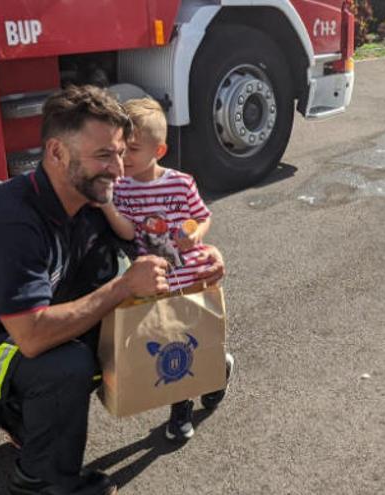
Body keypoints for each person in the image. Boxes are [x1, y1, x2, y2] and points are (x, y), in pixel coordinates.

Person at [0, 86, 226, 494]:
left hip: (3, 329)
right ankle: (42, 479)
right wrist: (121, 288)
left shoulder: (86, 203)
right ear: (57, 153)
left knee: (110, 318)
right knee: (69, 363)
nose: (117, 169)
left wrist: (203, 256)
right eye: (103, 156)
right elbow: (35, 335)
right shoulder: (12, 222)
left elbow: (148, 253)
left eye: (119, 152)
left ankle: (7, 407)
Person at [100, 97, 233, 442]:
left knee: (197, 337)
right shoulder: (122, 189)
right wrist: (107, 206)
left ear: (159, 150)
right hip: (155, 282)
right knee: (170, 344)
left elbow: (202, 216)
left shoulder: (181, 183)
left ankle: (217, 370)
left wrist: (195, 233)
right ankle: (184, 403)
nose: (124, 159)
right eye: (120, 150)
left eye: (133, 150)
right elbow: (128, 232)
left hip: (191, 277)